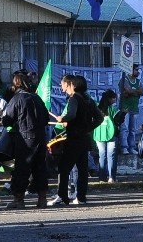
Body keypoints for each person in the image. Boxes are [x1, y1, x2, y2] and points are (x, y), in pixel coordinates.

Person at [49, 75, 103, 206]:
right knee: (82, 169)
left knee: (64, 167)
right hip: (85, 138)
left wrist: (63, 119)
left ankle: (62, 196)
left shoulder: (74, 99)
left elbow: (72, 114)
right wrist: (87, 128)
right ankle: (81, 197)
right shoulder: (88, 100)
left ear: (73, 85)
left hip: (73, 138)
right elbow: (99, 118)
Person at [2, 73, 49, 208]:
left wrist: (4, 119)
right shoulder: (37, 98)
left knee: (21, 169)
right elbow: (46, 118)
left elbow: (7, 118)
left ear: (16, 84)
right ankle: (42, 199)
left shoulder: (17, 98)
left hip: (25, 137)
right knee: (40, 168)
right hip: (40, 137)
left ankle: (19, 200)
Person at [93, 89, 124, 183]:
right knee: (111, 155)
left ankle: (102, 178)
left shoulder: (97, 107)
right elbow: (118, 121)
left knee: (102, 155)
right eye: (114, 98)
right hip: (111, 134)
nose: (115, 100)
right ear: (110, 99)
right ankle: (111, 177)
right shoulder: (113, 109)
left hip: (99, 134)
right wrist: (124, 113)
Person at [119, 64, 143, 155]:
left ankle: (131, 147)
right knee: (124, 128)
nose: (138, 72)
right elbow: (127, 90)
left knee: (132, 129)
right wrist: (135, 91)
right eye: (136, 70)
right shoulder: (124, 79)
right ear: (131, 70)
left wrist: (131, 92)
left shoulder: (138, 81)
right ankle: (124, 147)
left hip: (134, 108)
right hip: (125, 108)